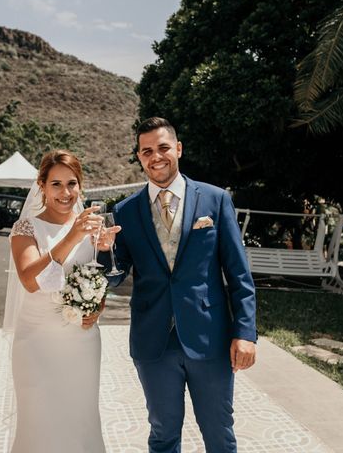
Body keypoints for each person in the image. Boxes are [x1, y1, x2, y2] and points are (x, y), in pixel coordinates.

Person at [109, 117, 257, 452]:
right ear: (139, 156)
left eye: (163, 147)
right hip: (153, 341)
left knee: (219, 434)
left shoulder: (215, 200)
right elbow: (116, 275)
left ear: (178, 148)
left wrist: (245, 333)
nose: (156, 156)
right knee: (163, 434)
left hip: (210, 338)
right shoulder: (125, 211)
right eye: (147, 151)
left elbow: (238, 274)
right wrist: (103, 252)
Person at [3, 150, 118, 453]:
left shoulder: (93, 230)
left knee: (81, 419)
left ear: (80, 186)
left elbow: (95, 280)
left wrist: (97, 307)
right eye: (56, 184)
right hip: (37, 344)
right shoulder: (26, 228)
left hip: (82, 344)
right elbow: (30, 280)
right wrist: (72, 235)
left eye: (72, 183)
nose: (65, 193)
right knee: (40, 422)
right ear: (41, 185)